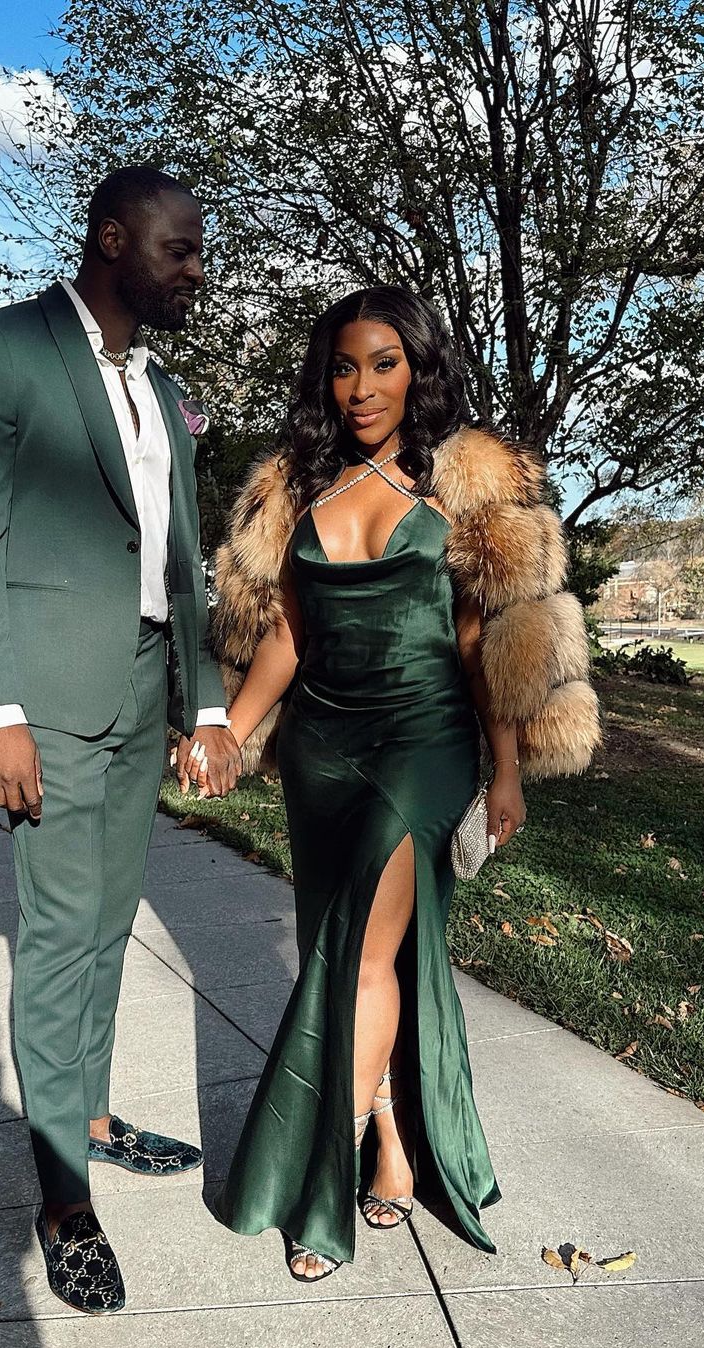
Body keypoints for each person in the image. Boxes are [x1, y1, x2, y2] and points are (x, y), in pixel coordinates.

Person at [210, 286, 600, 1280]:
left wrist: (505, 770)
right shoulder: (299, 485)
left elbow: (485, 644)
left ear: (419, 368)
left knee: (367, 956)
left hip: (423, 742)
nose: (362, 387)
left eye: (384, 364)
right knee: (345, 951)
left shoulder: (464, 483)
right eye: (344, 367)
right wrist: (232, 732)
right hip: (322, 751)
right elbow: (287, 634)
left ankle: (323, 1178)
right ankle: (391, 1141)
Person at [0, 166, 242, 1315]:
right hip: (48, 703)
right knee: (59, 939)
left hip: (138, 690)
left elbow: (182, 561)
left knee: (108, 924)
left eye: (199, 250)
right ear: (113, 240)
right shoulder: (2, 350)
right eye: (179, 249)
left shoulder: (162, 389)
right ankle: (62, 1200)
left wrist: (206, 702)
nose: (197, 270)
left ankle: (94, 1116)